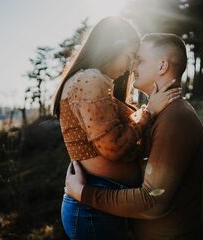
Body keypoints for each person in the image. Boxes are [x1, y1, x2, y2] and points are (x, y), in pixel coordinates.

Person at [65, 33, 203, 240]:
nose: (133, 67)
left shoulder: (176, 119)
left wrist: (82, 193)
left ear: (162, 66)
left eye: (140, 61)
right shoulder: (161, 114)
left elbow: (152, 201)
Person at [51, 17, 182, 240]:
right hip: (94, 208)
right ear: (113, 47)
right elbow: (115, 146)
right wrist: (148, 113)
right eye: (130, 57)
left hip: (101, 202)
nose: (130, 66)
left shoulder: (93, 82)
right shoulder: (90, 79)